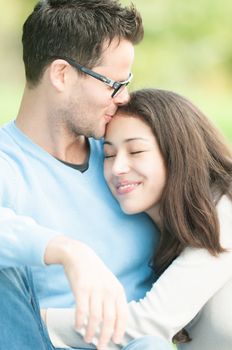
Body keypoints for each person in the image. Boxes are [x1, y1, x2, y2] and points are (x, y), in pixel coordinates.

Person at [0, 1, 173, 350]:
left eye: (128, 83)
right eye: (113, 83)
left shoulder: (124, 156)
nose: (124, 98)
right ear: (61, 74)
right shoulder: (7, 163)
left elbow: (210, 196)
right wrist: (69, 251)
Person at [45, 88, 232, 350]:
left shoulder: (226, 207)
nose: (118, 168)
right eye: (109, 155)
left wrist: (35, 319)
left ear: (178, 152)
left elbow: (147, 323)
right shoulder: (165, 233)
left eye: (135, 152)